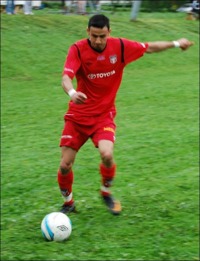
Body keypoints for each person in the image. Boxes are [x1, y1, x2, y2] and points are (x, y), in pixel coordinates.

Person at [57, 14, 193, 215]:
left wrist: (175, 43)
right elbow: (66, 77)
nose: (98, 40)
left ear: (109, 32)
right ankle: (68, 203)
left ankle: (105, 192)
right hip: (78, 117)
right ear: (87, 32)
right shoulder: (77, 49)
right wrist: (72, 92)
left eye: (102, 36)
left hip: (103, 116)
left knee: (107, 154)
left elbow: (149, 47)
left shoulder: (120, 47)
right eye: (94, 36)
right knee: (65, 165)